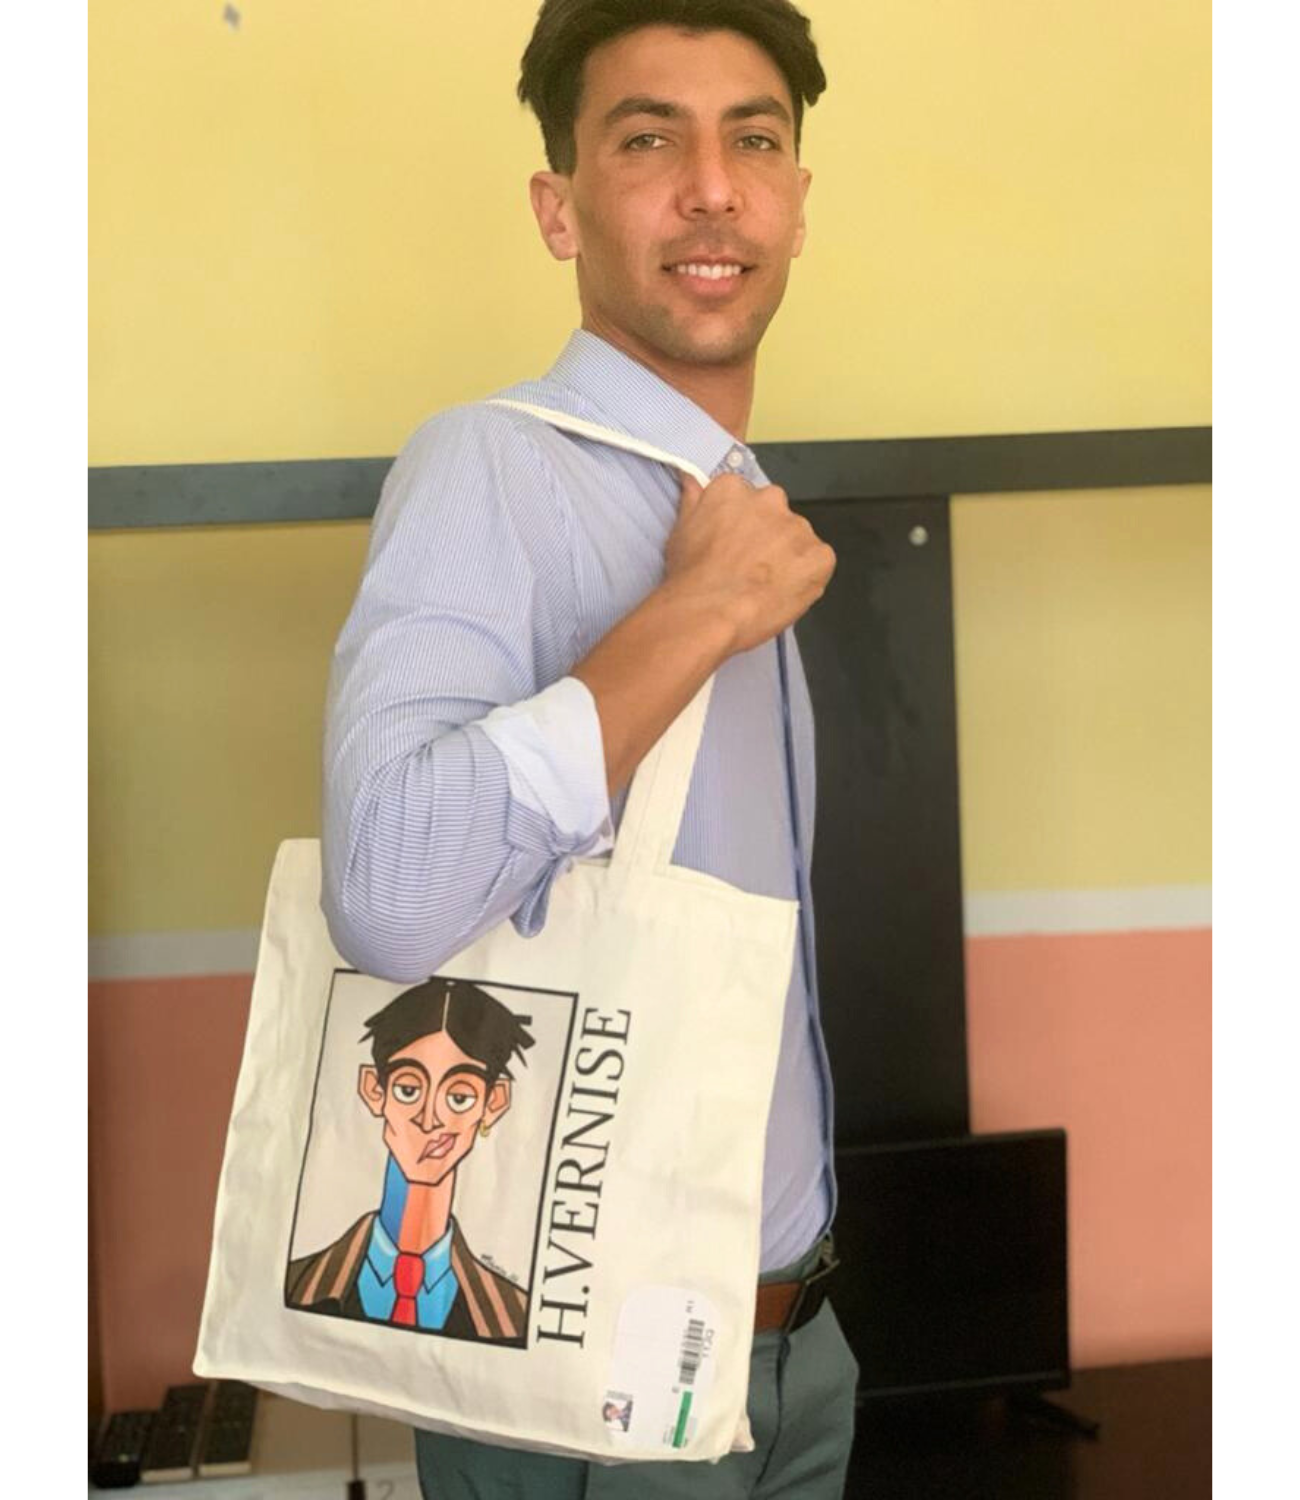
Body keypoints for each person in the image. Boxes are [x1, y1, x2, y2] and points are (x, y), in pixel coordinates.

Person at [322, 1, 856, 1494]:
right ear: (558, 210)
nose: (714, 188)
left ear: (797, 201)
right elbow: (389, 892)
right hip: (583, 1378)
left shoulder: (735, 503)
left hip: (787, 1345)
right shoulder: (493, 464)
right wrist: (693, 613)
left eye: (755, 141)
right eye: (647, 141)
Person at [285, 977, 534, 1342]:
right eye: (408, 1089)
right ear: (374, 1090)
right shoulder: (296, 1284)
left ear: (493, 1104)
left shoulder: (514, 1316)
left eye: (459, 1097)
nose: (430, 1119)